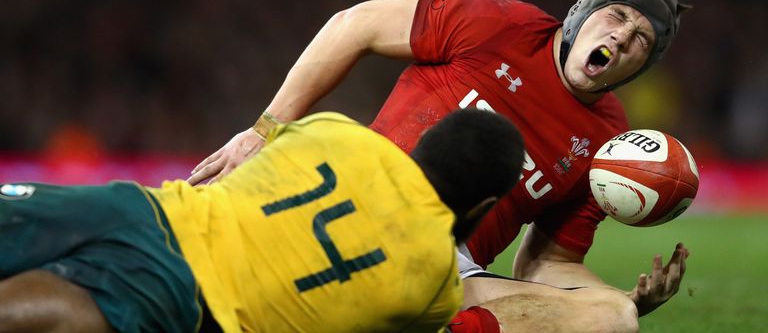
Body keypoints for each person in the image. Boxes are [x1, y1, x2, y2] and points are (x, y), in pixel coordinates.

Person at [188, 0, 691, 332]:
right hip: (352, 198)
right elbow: (356, 25)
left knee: (613, 318)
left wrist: (624, 295)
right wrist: (264, 128)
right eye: (617, 16)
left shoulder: (608, 144)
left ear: (642, 66)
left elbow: (542, 266)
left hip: (443, 268)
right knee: (187, 258)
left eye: (640, 39)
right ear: (584, 12)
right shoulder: (497, 21)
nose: (621, 37)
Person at [0, 109, 527, 333]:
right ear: (480, 207)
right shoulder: (434, 288)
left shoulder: (339, 132)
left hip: (141, 210)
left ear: (421, 145)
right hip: (184, 295)